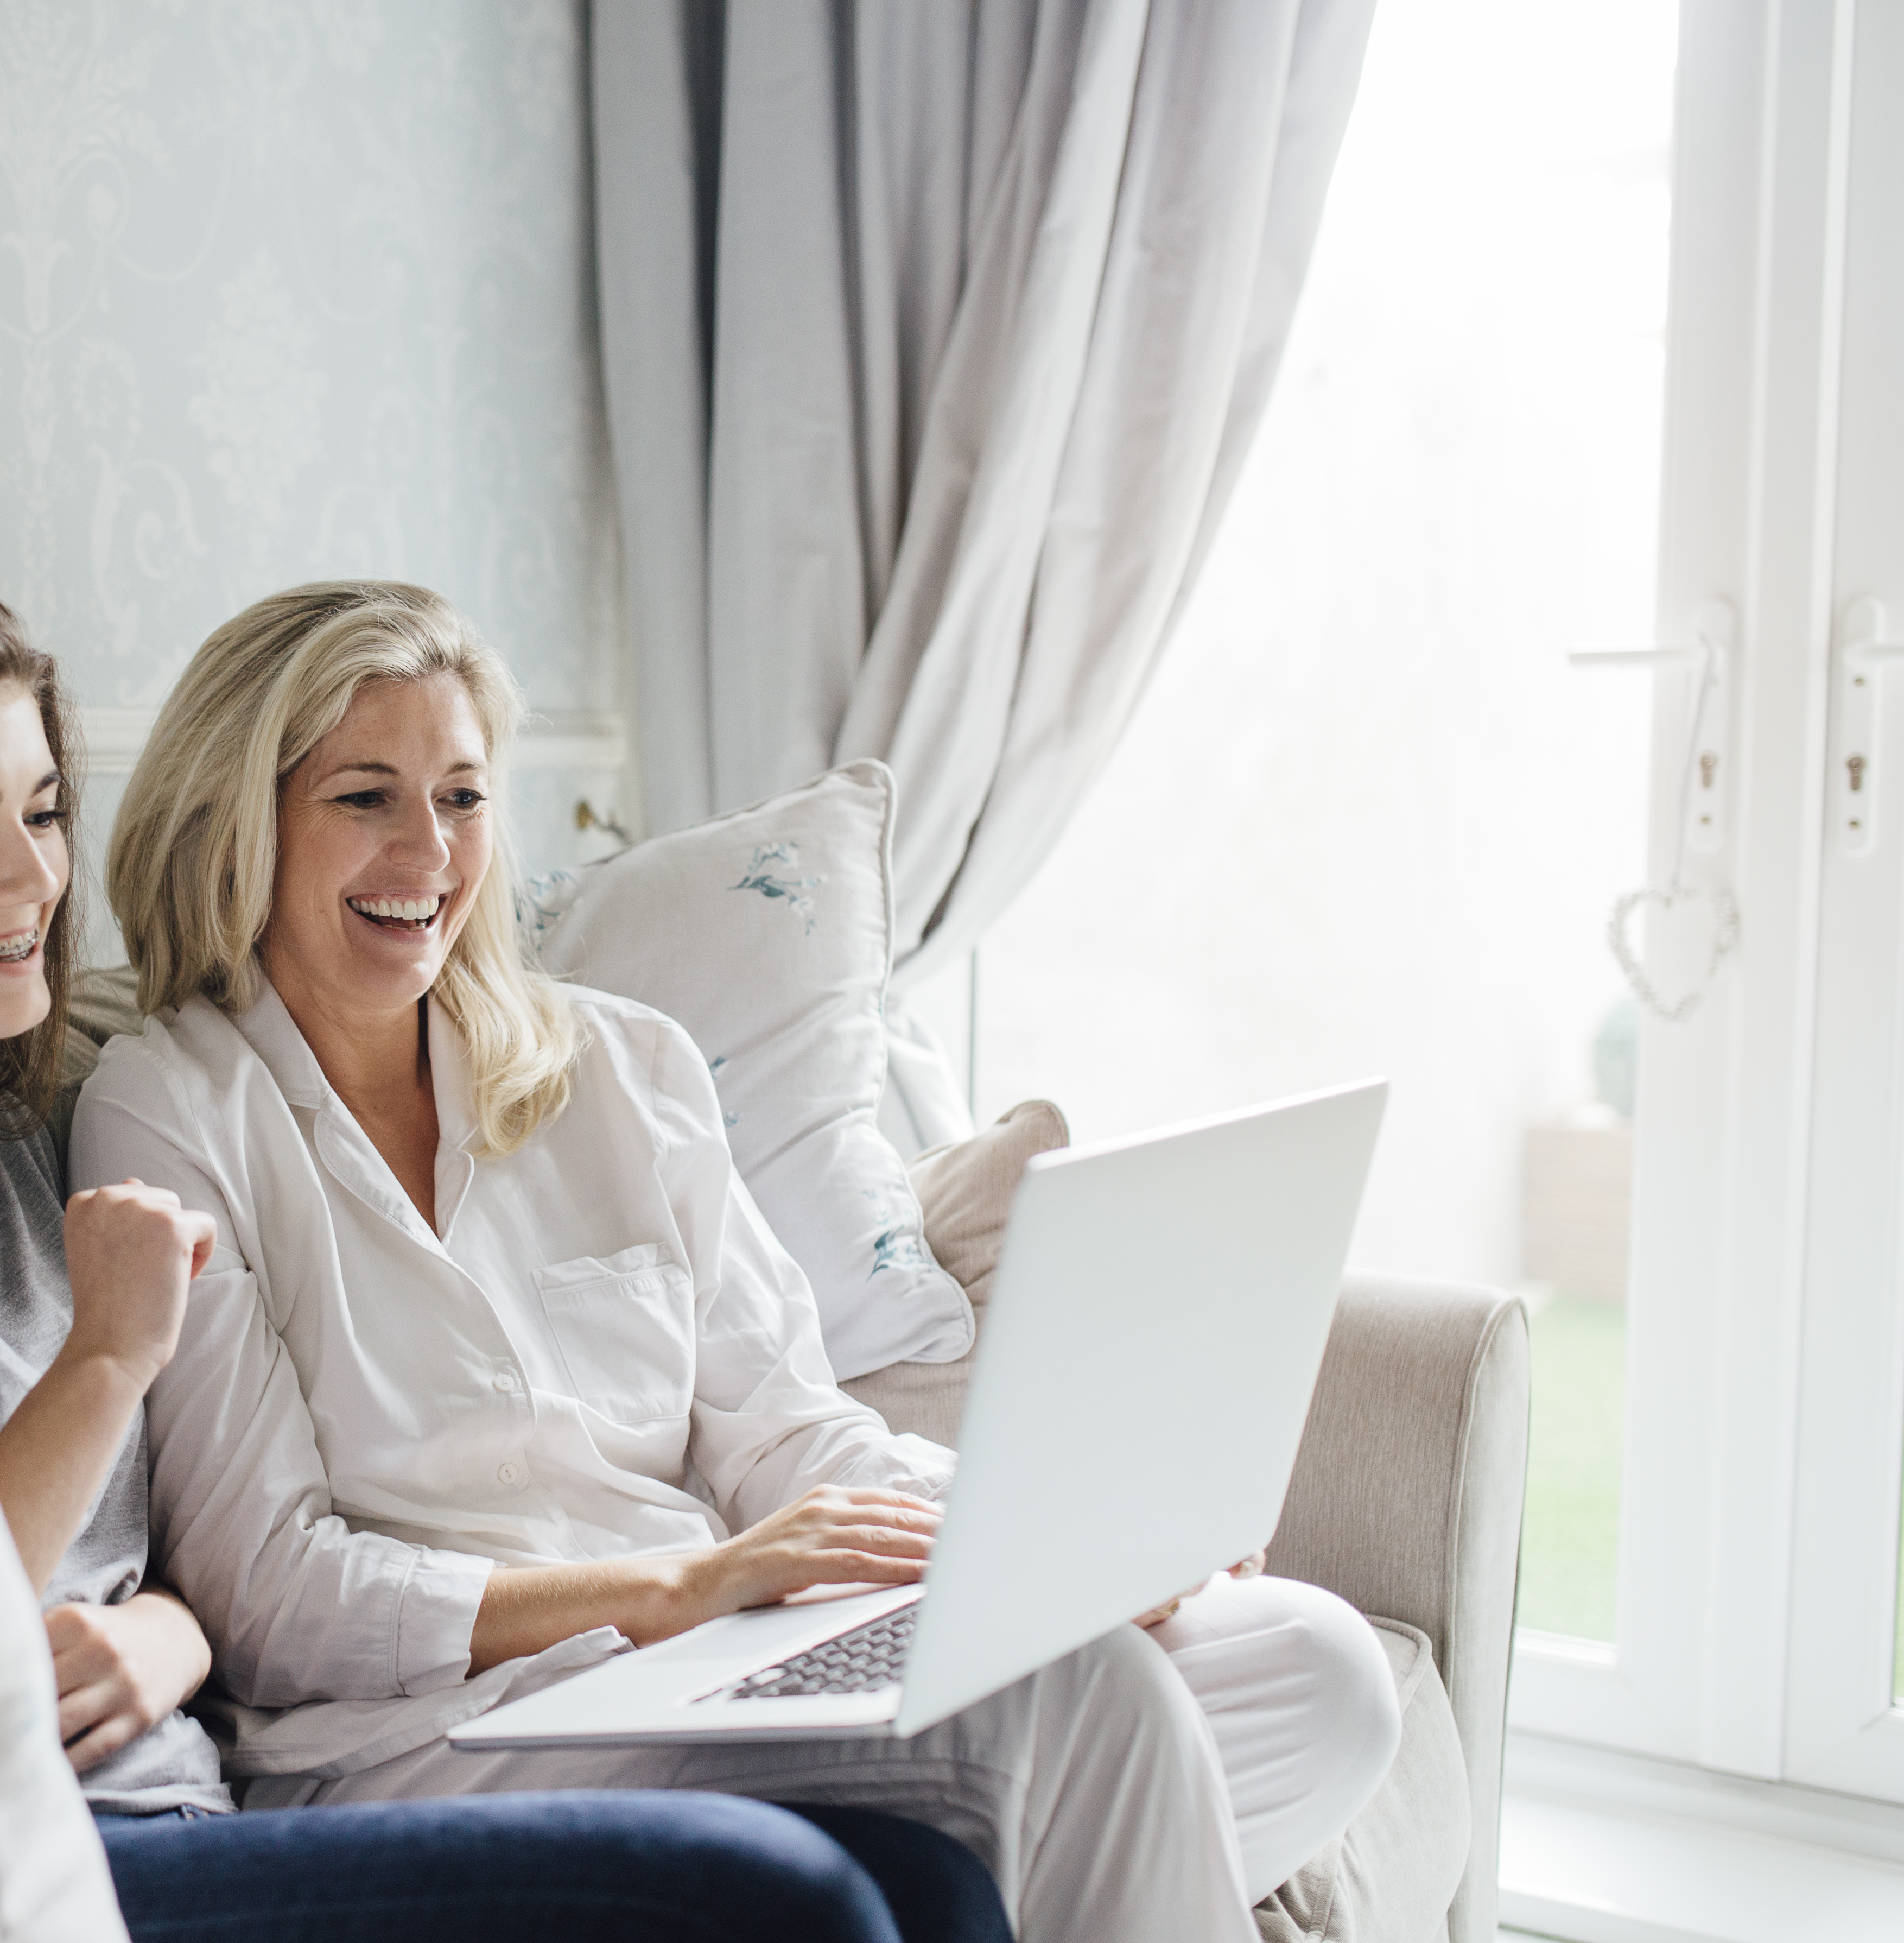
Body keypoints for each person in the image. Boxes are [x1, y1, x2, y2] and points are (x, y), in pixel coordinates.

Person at [0, 573, 1006, 1943]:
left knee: (922, 1871)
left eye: (44, 812)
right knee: (764, 1893)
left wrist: (159, 1634)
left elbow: (193, 1585)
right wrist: (103, 1360)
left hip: (175, 1808)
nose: (33, 880)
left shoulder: (22, 1144)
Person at [72, 580, 1408, 1943]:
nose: (427, 849)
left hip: (708, 1665)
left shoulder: (620, 1065)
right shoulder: (168, 1106)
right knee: (1090, 1703)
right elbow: (272, 1593)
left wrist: (1049, 1536)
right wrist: (671, 1588)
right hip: (433, 1736)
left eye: (462, 798)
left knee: (1314, 1666)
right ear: (243, 814)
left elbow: (784, 1427)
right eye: (365, 796)